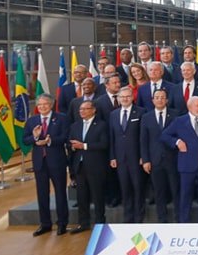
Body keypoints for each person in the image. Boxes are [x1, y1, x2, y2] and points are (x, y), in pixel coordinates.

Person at [162, 96, 198, 223]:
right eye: (197, 105)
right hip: (187, 166)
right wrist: (177, 141)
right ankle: (184, 224)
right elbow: (164, 135)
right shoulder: (180, 121)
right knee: (185, 197)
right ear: (189, 107)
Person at [24, 94, 69, 236]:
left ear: (51, 105)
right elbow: (25, 140)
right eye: (40, 105)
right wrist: (35, 137)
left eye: (45, 104)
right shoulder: (32, 121)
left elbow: (66, 137)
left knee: (60, 193)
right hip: (39, 163)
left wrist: (50, 141)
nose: (42, 107)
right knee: (42, 194)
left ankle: (62, 223)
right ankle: (45, 224)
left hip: (57, 161)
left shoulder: (61, 118)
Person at [69, 100, 109, 233]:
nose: (82, 112)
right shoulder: (75, 126)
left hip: (95, 166)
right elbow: (70, 145)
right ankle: (83, 223)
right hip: (79, 166)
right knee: (82, 197)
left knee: (97, 196)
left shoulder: (102, 125)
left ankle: (100, 223)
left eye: (85, 109)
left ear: (93, 110)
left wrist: (84, 146)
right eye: (81, 109)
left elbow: (104, 144)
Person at [140, 88, 179, 223]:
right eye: (157, 97)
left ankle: (179, 219)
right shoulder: (146, 117)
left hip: (173, 159)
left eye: (163, 97)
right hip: (155, 160)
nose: (160, 100)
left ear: (167, 100)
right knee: (159, 192)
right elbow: (143, 140)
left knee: (176, 190)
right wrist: (145, 160)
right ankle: (162, 220)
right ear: (153, 100)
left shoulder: (175, 115)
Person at [109, 86, 144, 223]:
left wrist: (143, 156)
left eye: (127, 96)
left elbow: (143, 137)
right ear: (118, 98)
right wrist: (112, 156)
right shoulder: (114, 114)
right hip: (120, 158)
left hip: (136, 158)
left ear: (132, 97)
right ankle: (128, 218)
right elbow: (112, 137)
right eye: (122, 97)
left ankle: (139, 217)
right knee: (125, 188)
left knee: (138, 188)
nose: (124, 99)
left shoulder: (141, 112)